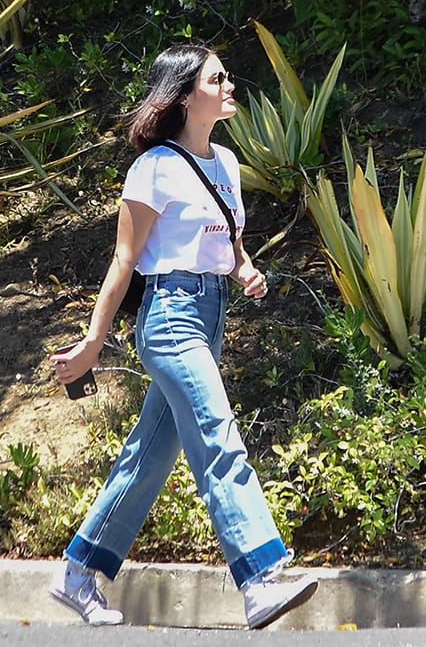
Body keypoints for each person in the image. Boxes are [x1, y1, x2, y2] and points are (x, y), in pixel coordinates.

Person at [49, 43, 318, 630]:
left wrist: (243, 270)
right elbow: (123, 261)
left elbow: (229, 240)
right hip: (170, 318)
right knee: (219, 436)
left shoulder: (225, 162)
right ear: (185, 95)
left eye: (226, 76)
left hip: (212, 313)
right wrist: (95, 341)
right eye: (216, 78)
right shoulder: (153, 168)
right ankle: (260, 577)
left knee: (149, 455)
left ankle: (76, 571)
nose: (228, 85)